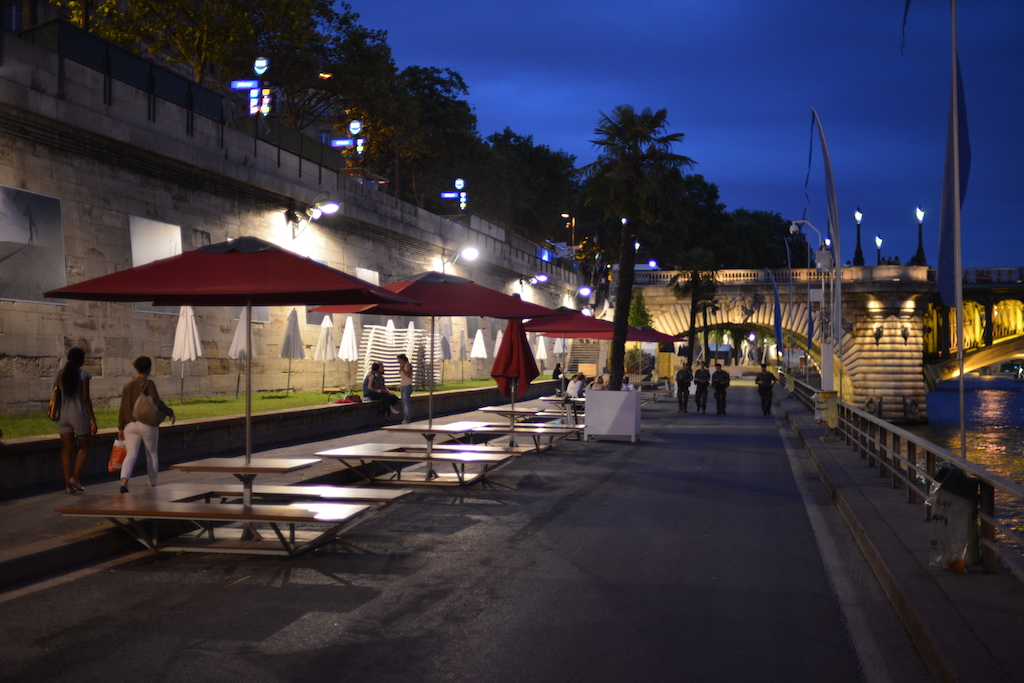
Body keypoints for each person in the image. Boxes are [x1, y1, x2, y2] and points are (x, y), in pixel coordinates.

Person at [117, 356, 175, 493]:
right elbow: (156, 401)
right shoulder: (149, 384)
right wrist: (169, 412)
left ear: (136, 368)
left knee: (130, 455)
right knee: (152, 455)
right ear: (149, 369)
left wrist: (120, 427)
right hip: (147, 424)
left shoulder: (127, 385)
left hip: (130, 425)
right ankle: (153, 485)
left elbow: (122, 408)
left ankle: (124, 481)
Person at [54, 347, 97, 494]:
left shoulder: (60, 374)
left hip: (62, 415)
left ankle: (67, 486)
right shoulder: (84, 374)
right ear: (81, 360)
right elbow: (85, 398)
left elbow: (55, 394)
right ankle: (74, 478)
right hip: (78, 414)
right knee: (84, 447)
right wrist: (93, 420)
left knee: (67, 450)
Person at [397, 353, 413, 424]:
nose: (398, 361)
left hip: (407, 385)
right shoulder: (401, 366)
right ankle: (405, 417)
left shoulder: (408, 365)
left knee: (406, 403)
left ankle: (407, 418)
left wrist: (402, 369)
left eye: (399, 359)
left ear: (402, 359)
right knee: (403, 403)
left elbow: (408, 375)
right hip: (403, 385)